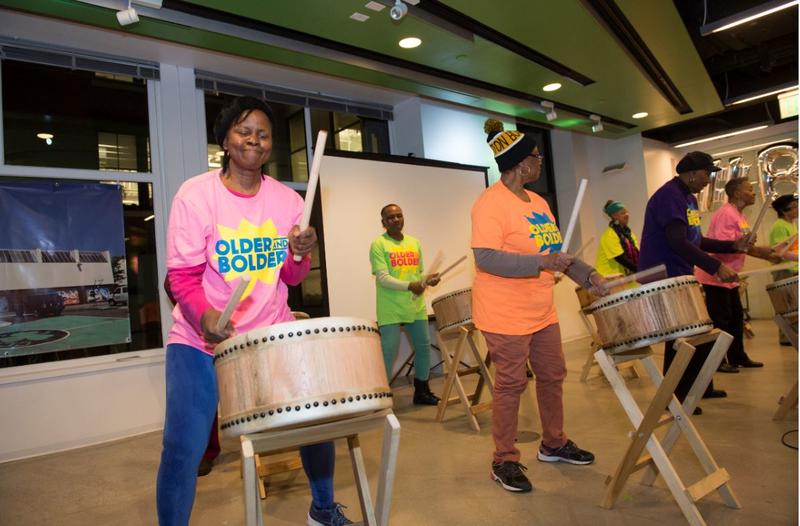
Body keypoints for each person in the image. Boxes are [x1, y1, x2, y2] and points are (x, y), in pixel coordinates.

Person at [156, 96, 352, 526]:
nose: (254, 140)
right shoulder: (195, 195)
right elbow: (183, 278)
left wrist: (300, 253)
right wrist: (205, 317)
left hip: (271, 334)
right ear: (225, 139)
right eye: (244, 131)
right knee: (182, 447)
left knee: (315, 420)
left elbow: (293, 277)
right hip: (200, 339)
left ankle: (321, 508)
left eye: (263, 134)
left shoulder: (286, 201)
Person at [473, 119, 608, 493]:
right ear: (518, 164)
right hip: (503, 312)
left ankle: (554, 443)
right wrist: (539, 263)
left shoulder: (539, 202)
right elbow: (485, 258)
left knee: (553, 375)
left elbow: (555, 254)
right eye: (535, 156)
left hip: (541, 309)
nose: (540, 161)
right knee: (511, 384)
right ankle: (503, 460)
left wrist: (590, 276)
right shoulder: (489, 204)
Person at [638, 151, 750, 415]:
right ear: (690, 173)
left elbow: (694, 239)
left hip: (679, 274)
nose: (709, 180)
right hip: (663, 275)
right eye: (706, 174)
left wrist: (731, 246)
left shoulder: (688, 198)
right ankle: (672, 397)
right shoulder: (670, 197)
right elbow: (677, 242)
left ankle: (699, 387)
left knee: (696, 333)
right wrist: (715, 266)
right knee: (681, 337)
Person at [694, 178, 781, 372]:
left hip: (730, 279)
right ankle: (719, 361)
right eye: (749, 189)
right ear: (736, 193)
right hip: (716, 277)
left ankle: (738, 356)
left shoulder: (739, 216)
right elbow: (728, 246)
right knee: (721, 321)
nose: (753, 193)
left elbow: (742, 247)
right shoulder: (726, 213)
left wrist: (765, 253)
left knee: (735, 319)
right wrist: (757, 250)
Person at [369, 204, 441, 405]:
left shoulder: (414, 242)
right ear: (383, 222)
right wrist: (412, 285)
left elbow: (417, 275)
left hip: (415, 305)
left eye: (399, 215)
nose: (395, 219)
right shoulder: (379, 244)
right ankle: (380, 397)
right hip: (390, 307)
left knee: (424, 347)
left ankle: (422, 391)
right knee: (388, 351)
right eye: (390, 217)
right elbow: (382, 278)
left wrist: (427, 279)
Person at [769, 193, 798, 345]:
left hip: (792, 268)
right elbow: (781, 252)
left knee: (794, 304)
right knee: (786, 305)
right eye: (793, 207)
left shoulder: (791, 224)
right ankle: (785, 337)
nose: (797, 209)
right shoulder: (780, 226)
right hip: (783, 270)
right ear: (784, 210)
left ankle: (792, 334)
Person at [594, 200, 639, 278]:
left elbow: (638, 253)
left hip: (624, 278)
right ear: (614, 216)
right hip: (607, 279)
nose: (627, 215)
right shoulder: (609, 235)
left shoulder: (629, 234)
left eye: (627, 212)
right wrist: (641, 269)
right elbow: (620, 258)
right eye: (623, 213)